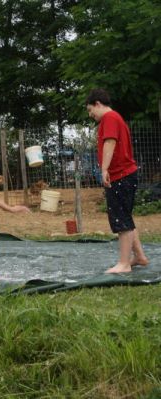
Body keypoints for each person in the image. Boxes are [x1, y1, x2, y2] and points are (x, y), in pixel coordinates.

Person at [86, 88, 148, 273]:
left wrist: (104, 169)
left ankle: (123, 264)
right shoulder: (115, 118)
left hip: (121, 175)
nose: (91, 115)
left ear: (98, 103)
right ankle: (139, 257)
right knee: (125, 217)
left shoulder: (110, 118)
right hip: (124, 174)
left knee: (121, 220)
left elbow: (110, 142)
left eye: (90, 110)